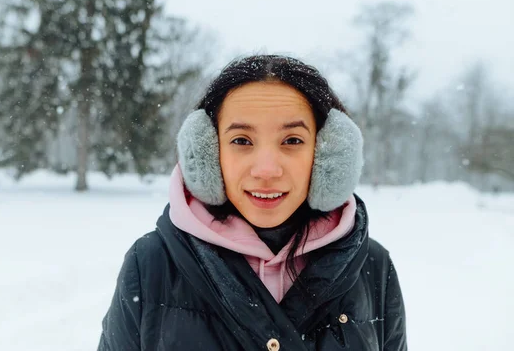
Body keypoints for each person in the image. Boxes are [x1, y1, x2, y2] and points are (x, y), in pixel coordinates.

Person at [97, 55, 407, 350]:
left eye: (292, 141)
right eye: (241, 141)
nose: (266, 170)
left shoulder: (373, 267)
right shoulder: (151, 263)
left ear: (330, 155)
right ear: (208, 154)